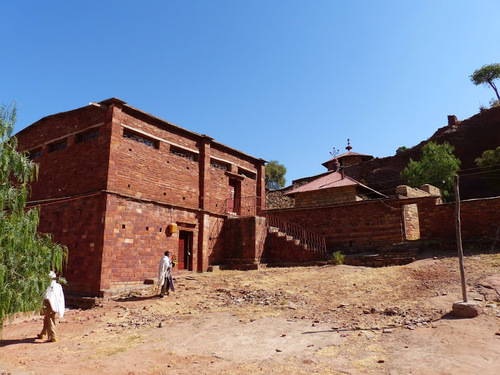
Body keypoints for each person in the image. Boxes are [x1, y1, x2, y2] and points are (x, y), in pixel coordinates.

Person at [37, 271, 65, 342]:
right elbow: (60, 297)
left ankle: (53, 336)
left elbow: (44, 296)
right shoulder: (58, 286)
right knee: (47, 318)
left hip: (48, 304)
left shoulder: (48, 287)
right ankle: (42, 334)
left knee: (50, 319)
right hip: (55, 305)